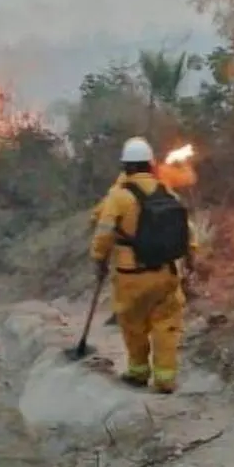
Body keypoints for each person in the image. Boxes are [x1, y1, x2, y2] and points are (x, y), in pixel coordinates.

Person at [89, 136, 198, 394]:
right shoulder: (166, 190)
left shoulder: (118, 197)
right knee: (166, 325)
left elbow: (102, 230)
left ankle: (138, 372)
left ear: (125, 167)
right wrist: (192, 259)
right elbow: (188, 231)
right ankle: (165, 379)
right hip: (165, 273)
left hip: (131, 276)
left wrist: (98, 260)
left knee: (133, 325)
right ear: (151, 165)